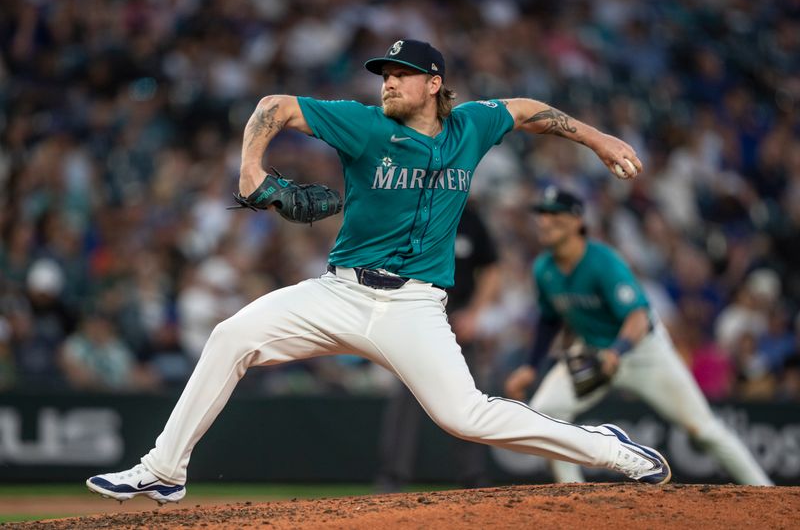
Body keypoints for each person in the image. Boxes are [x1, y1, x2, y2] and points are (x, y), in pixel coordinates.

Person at [87, 38, 669, 504]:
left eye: (401, 73)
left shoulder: (471, 126)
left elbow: (526, 111)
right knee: (231, 335)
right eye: (384, 73)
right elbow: (274, 107)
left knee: (464, 417)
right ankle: (164, 469)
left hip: (414, 308)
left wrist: (597, 139)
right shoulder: (365, 125)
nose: (387, 81)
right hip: (338, 293)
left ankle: (606, 449)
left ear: (433, 84)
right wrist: (250, 172)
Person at [503, 186, 772, 485]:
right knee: (545, 414)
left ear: (577, 220)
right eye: (541, 213)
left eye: (554, 214)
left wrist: (617, 351)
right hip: (593, 352)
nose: (544, 220)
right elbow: (549, 319)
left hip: (642, 351)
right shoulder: (543, 269)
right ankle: (572, 494)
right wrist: (530, 366)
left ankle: (766, 492)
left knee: (704, 430)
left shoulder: (603, 262)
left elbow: (638, 316)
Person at [375, 200, 500, 491]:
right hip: (419, 310)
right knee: (406, 400)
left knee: (467, 398)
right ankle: (392, 477)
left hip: (459, 316)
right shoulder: (415, 210)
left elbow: (492, 269)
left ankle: (473, 477)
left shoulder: (469, 218)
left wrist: (475, 313)